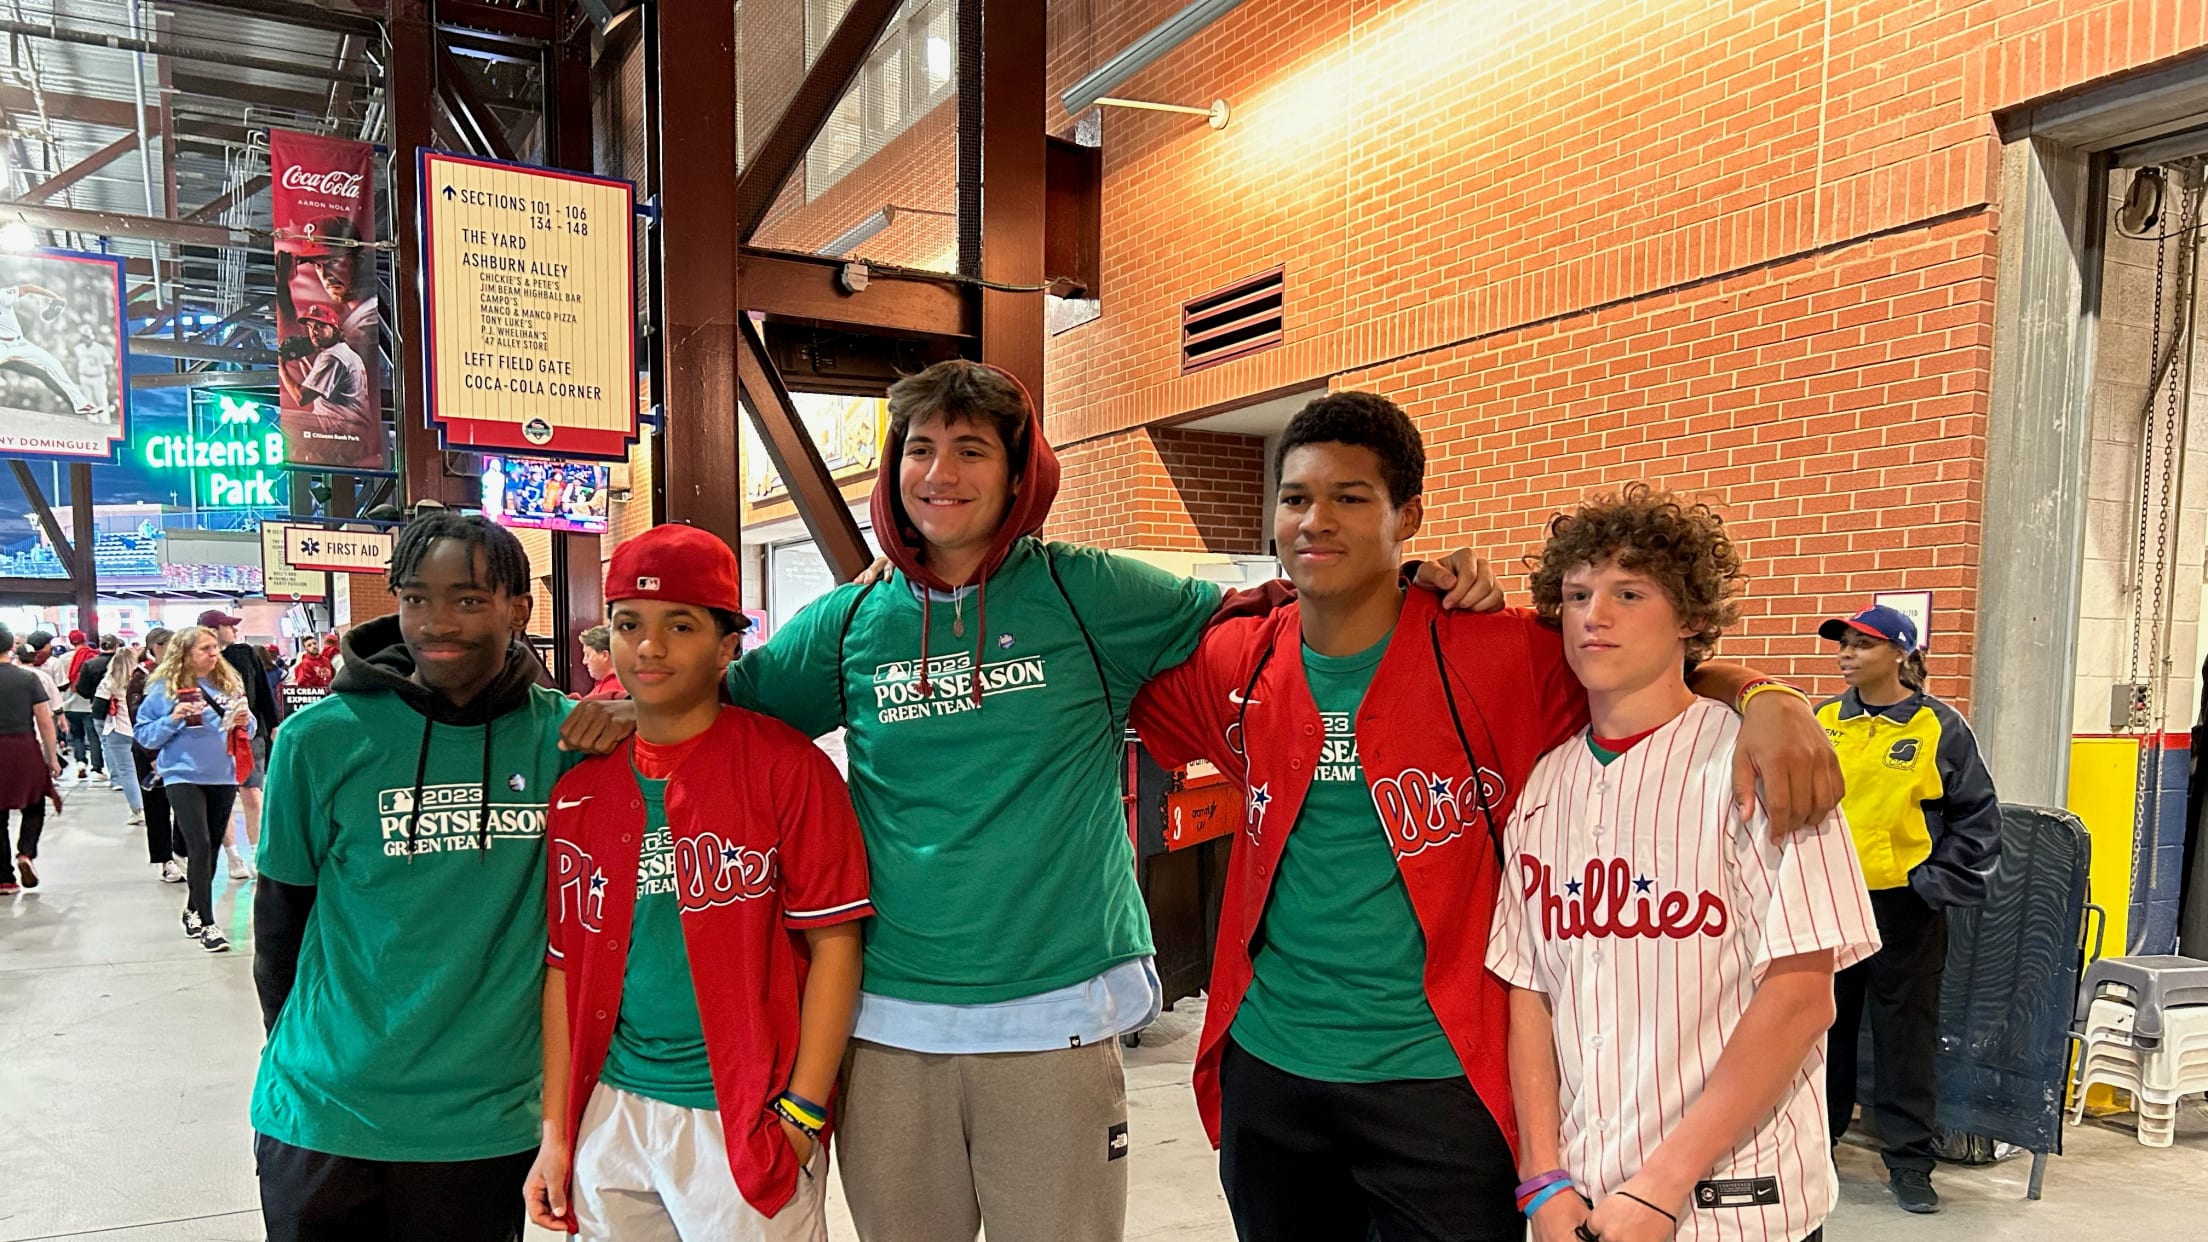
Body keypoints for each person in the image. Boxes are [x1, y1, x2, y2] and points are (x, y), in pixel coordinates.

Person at [556, 366, 1497, 1241]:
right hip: (888, 1024)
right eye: (920, 448)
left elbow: (1269, 609)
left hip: (1057, 1013)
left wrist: (1412, 584)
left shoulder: (1084, 592)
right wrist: (607, 714)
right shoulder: (854, 618)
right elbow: (710, 697)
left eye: (972, 450)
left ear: (1018, 474)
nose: (942, 472)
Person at [1125, 396, 1846, 1240]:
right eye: (1295, 498)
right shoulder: (1238, 661)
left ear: (1409, 516)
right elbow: (1103, 683)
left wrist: (1764, 693)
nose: (1315, 520)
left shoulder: (1496, 650)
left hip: (1442, 1083)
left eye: (1352, 497)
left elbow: (1644, 664)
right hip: (1273, 1072)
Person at [1489, 487, 1879, 1242]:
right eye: (1576, 594)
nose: (1594, 614)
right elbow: (1528, 988)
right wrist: (1542, 1179)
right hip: (1587, 1202)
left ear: (1692, 618)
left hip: (1738, 1204)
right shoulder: (1545, 784)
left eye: (1628, 592)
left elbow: (1802, 998)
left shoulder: (1761, 761)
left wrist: (1664, 1184)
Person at [250, 511, 623, 1242]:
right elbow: (279, 929)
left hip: (483, 1124)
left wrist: (637, 713)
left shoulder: (569, 740)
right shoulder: (318, 740)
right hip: (325, 1110)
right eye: (416, 598)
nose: (436, 622)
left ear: (520, 608)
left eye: (469, 599)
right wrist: (300, 1052)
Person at [525, 524, 872, 1240]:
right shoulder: (579, 792)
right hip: (611, 1111)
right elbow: (566, 968)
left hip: (742, 1116)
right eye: (629, 624)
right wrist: (558, 1129)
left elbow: (836, 944)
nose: (649, 646)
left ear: (726, 645)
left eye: (679, 625)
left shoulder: (789, 770)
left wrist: (802, 1115)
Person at [1816, 604, 2001, 1214]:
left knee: (1906, 1040)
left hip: (1906, 913)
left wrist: (1930, 886)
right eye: (1843, 643)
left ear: (1901, 654)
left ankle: (1910, 1163)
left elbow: (1977, 820)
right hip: (1828, 905)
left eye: (1862, 645)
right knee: (1821, 1034)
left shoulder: (1938, 727)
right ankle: (1816, 1149)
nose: (1847, 654)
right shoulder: (1821, 721)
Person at [133, 624, 256, 952]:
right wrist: (173, 718)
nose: (214, 654)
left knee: (213, 845)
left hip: (222, 774)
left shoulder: (227, 682)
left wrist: (245, 720)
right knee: (198, 844)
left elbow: (249, 725)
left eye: (215, 647)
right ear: (185, 654)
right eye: (205, 649)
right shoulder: (163, 688)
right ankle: (208, 922)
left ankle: (192, 908)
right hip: (182, 774)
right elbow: (144, 735)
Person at [199, 608, 283, 881]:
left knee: (253, 793)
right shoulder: (196, 659)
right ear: (212, 629)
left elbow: (264, 690)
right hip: (212, 736)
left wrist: (274, 723)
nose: (234, 630)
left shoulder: (245, 653)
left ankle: (258, 852)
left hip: (250, 732)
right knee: (221, 797)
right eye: (228, 626)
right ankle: (233, 854)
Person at [0, 626, 63, 895]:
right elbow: (44, 721)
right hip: (24, 746)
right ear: (11, 646)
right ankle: (26, 852)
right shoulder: (28, 679)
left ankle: (4, 878)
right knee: (35, 803)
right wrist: (52, 758)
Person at [278, 301, 375, 468]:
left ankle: (301, 460)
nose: (313, 332)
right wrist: (301, 359)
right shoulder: (342, 351)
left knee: (283, 420)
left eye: (320, 326)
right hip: (352, 430)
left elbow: (301, 397)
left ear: (334, 329)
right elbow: (317, 386)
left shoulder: (332, 357)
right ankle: (311, 456)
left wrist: (281, 366)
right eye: (310, 326)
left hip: (339, 427)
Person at [128, 629, 183, 883]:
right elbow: (137, 718)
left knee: (185, 805)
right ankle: (165, 860)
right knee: (157, 805)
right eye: (166, 645)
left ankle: (182, 852)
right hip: (149, 752)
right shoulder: (142, 677)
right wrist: (151, 754)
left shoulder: (181, 675)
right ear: (154, 647)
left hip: (181, 750)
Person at [0, 283, 104, 417]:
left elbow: (27, 288)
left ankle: (81, 404)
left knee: (54, 364)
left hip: (19, 344)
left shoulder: (2, 296)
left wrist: (54, 296)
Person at [90, 637, 146, 827]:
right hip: (142, 730)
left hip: (118, 729)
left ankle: (137, 810)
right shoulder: (143, 679)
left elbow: (98, 708)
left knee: (127, 772)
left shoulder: (109, 681)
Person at [58, 630, 104, 783]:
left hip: (69, 704)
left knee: (77, 736)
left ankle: (80, 762)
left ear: (71, 642)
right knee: (94, 737)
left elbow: (61, 683)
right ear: (84, 639)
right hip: (89, 704)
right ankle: (96, 769)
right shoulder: (93, 656)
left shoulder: (62, 659)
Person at [575, 624, 623, 700]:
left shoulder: (616, 692)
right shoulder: (602, 684)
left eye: (587, 655)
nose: (584, 661)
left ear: (604, 655)